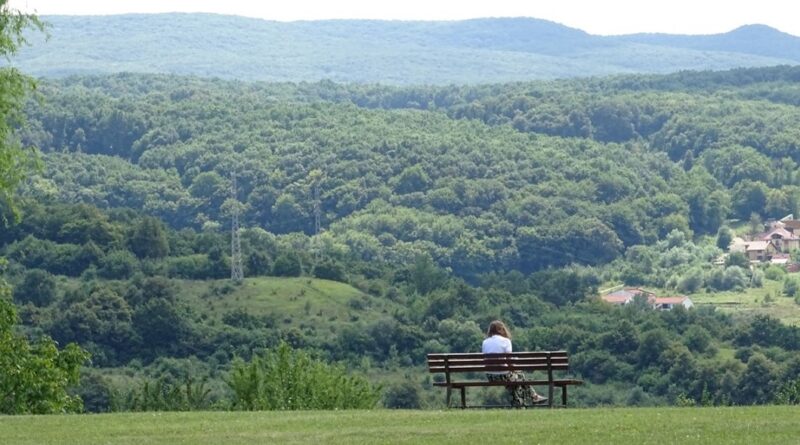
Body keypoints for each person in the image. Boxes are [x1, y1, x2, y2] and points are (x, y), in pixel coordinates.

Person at [482, 320, 547, 407]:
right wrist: (515, 369)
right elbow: (510, 363)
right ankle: (530, 399)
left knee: (516, 381)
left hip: (490, 376)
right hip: (503, 376)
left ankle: (529, 399)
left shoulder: (485, 342)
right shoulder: (506, 341)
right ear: (501, 330)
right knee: (519, 377)